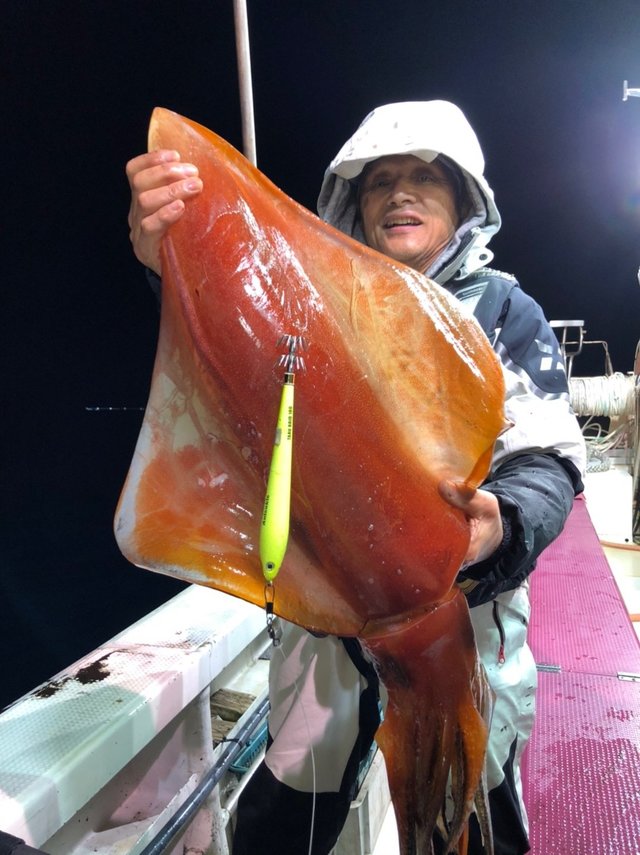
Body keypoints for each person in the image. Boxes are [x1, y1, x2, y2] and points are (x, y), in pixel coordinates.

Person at [126, 100, 586, 855]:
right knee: (288, 817)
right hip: (324, 626)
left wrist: (500, 520)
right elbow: (232, 378)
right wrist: (171, 253)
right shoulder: (311, 315)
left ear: (463, 199)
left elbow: (547, 461)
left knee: (473, 808)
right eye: (380, 183)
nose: (400, 194)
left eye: (423, 179)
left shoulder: (503, 311)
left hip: (468, 627)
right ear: (355, 203)